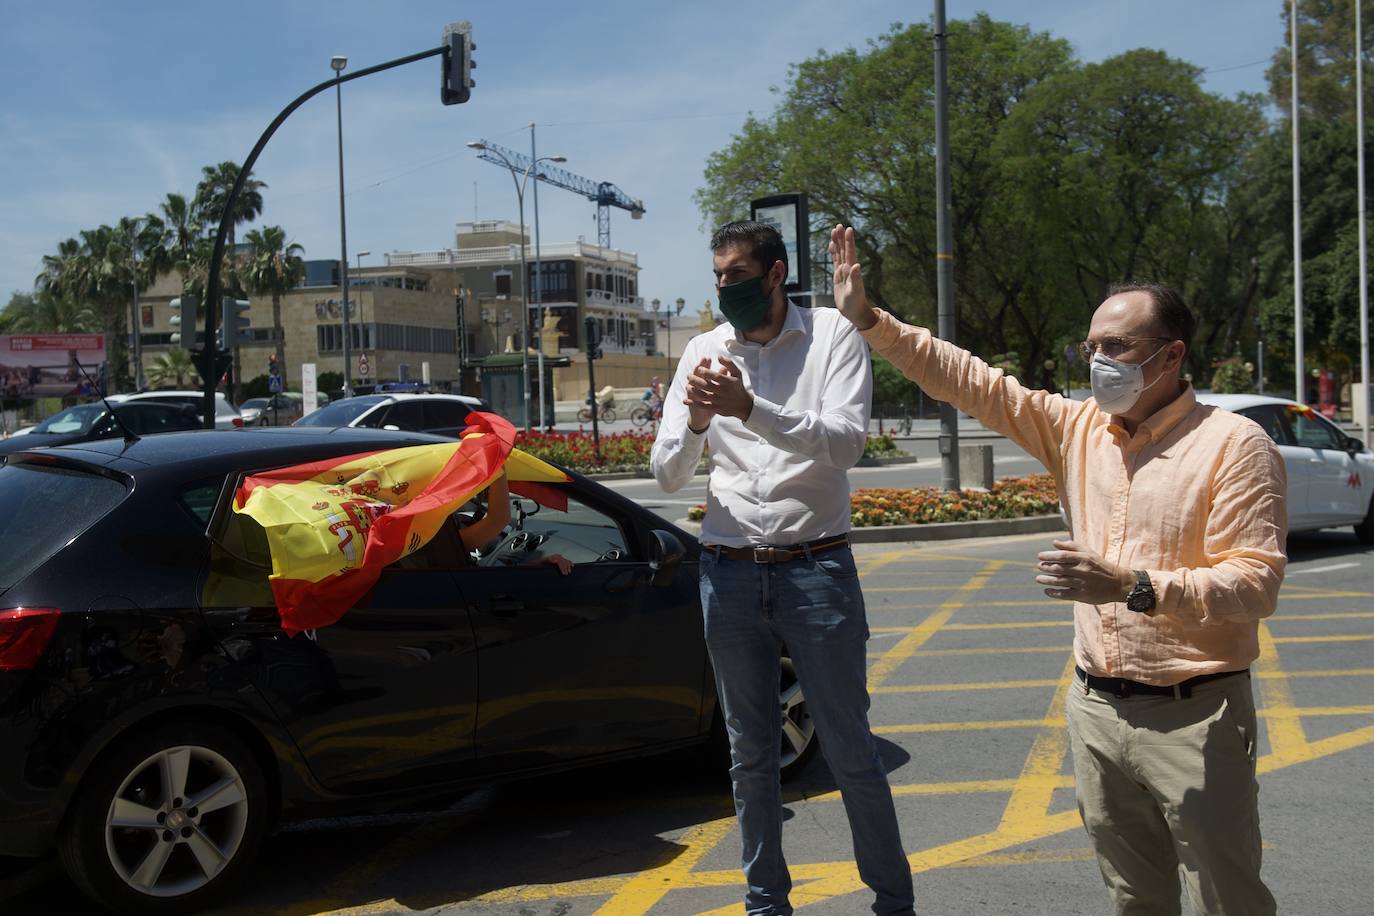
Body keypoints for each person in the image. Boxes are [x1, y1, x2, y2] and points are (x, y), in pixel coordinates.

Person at [827, 224, 1286, 916]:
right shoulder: (1078, 429)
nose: (1099, 360)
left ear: (1172, 356)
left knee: (1229, 897)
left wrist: (1132, 587)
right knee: (1134, 896)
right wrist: (869, 320)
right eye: (1092, 346)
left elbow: (1255, 583)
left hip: (1198, 718)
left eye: (1117, 346)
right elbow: (971, 381)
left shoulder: (1234, 445)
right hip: (1096, 711)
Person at [652, 221, 914, 916]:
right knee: (749, 757)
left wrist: (751, 408)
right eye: (717, 277)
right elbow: (668, 473)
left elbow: (845, 444)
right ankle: (765, 903)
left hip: (816, 570)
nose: (724, 288)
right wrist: (702, 419)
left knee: (851, 751)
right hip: (729, 573)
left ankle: (893, 903)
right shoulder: (704, 351)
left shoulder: (830, 336)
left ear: (775, 275)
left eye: (737, 275)